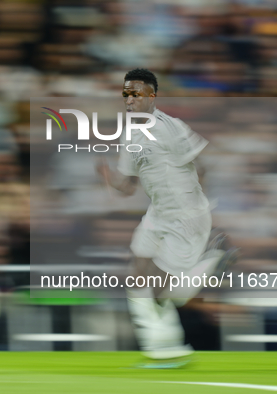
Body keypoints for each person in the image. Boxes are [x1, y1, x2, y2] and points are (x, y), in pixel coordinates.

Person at [96, 69, 237, 367]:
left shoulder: (170, 127)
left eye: (137, 93)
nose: (130, 99)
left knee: (162, 293)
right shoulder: (130, 133)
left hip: (186, 214)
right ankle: (164, 347)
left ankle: (213, 258)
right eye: (126, 93)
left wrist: (198, 209)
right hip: (158, 213)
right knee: (137, 277)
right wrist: (108, 176)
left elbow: (202, 166)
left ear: (152, 96)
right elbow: (126, 186)